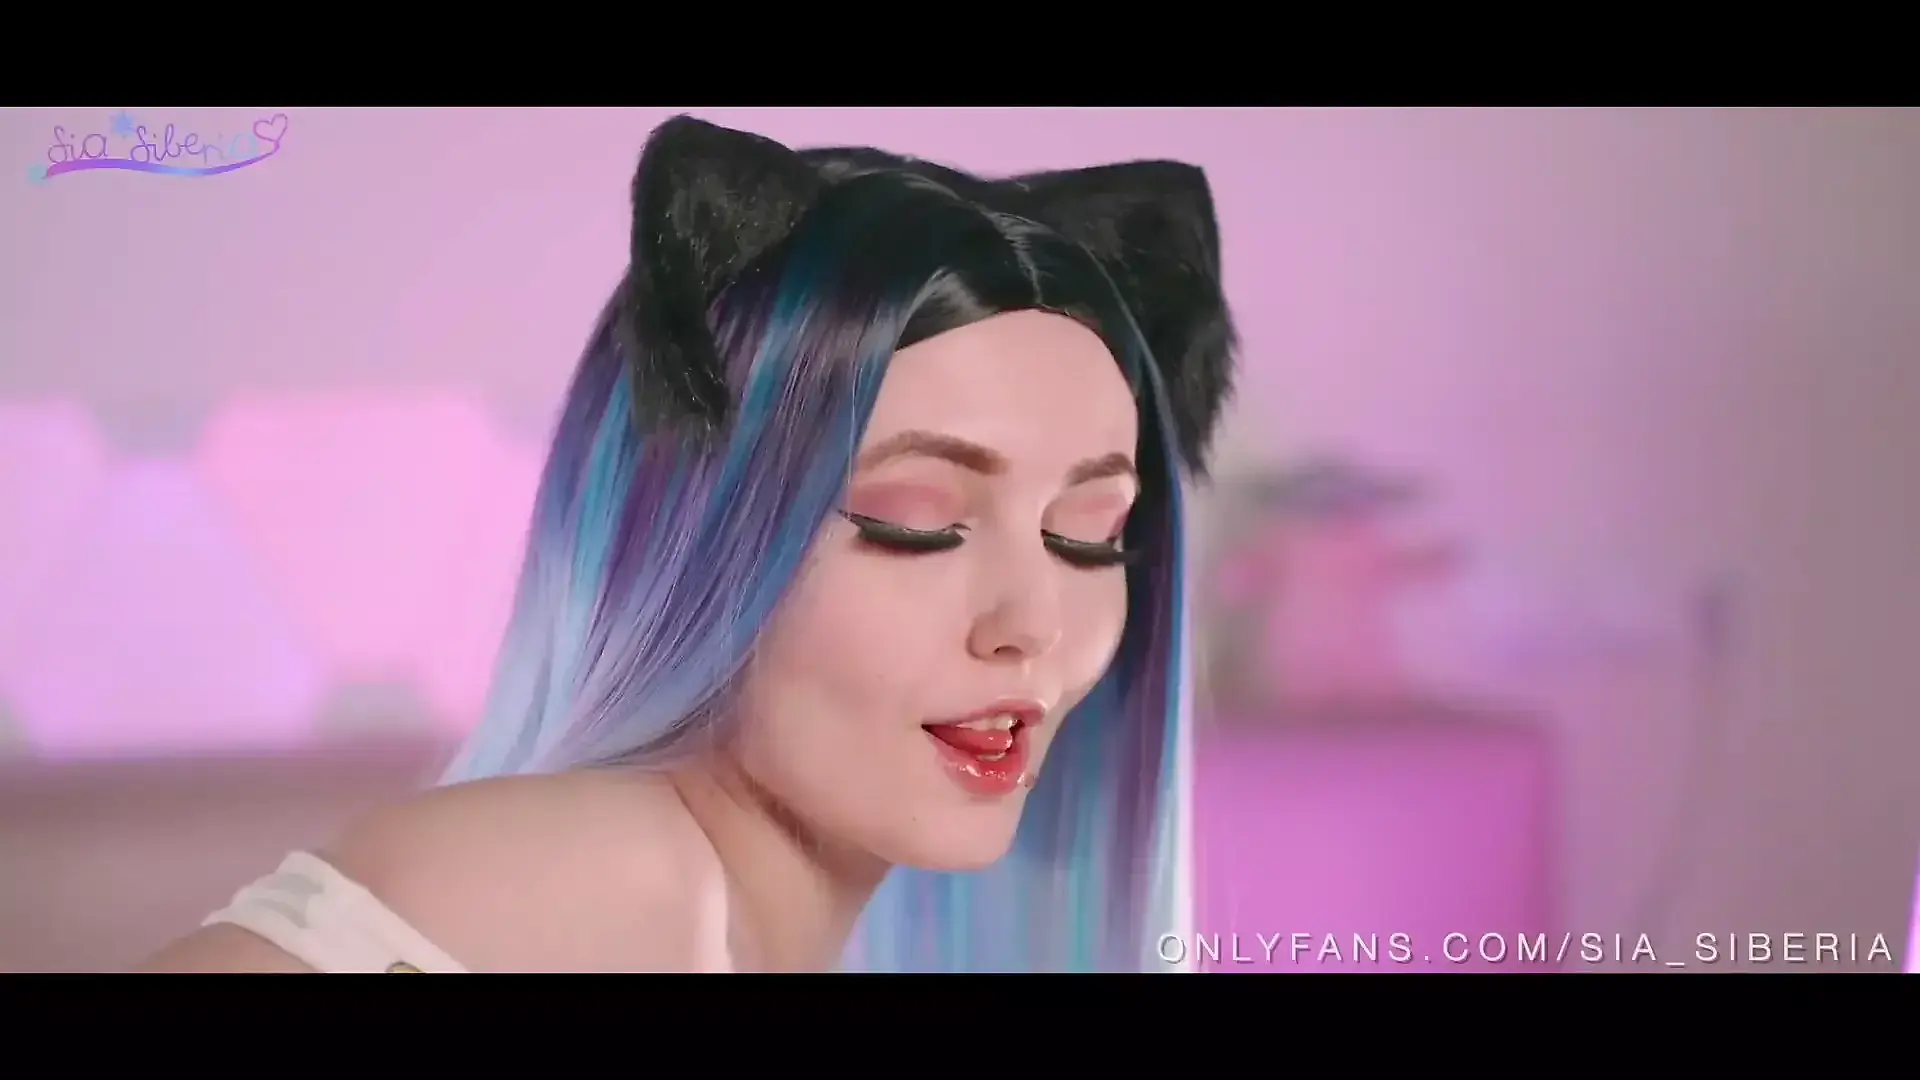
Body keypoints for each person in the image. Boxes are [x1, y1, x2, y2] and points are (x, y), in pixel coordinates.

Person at [137, 114, 1237, 973]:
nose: (1031, 625)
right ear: (698, 534)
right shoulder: (594, 877)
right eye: (915, 519)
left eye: (1088, 537)